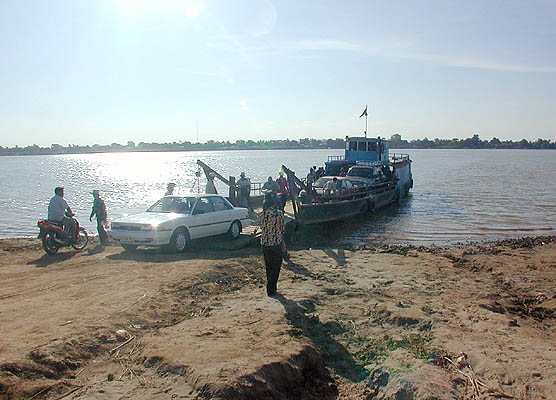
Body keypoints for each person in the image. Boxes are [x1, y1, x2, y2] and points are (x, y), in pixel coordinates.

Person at [259, 192, 286, 296]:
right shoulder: (278, 214)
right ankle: (271, 288)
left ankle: (270, 289)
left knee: (268, 266)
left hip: (265, 242)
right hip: (276, 242)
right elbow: (282, 228)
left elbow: (262, 227)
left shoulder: (261, 214)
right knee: (276, 266)